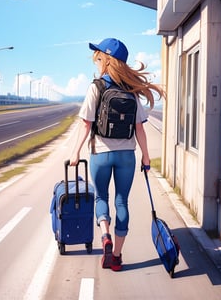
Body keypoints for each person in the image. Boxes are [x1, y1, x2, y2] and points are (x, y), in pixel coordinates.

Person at [69, 38, 164, 271]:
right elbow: (140, 127)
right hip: (126, 156)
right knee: (122, 201)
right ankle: (117, 257)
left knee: (101, 198)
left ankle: (105, 235)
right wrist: (146, 156)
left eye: (100, 58)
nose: (97, 61)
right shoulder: (132, 90)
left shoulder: (97, 86)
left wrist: (75, 152)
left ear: (107, 60)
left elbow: (85, 124)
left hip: (100, 154)